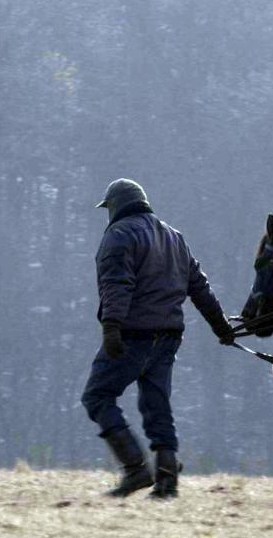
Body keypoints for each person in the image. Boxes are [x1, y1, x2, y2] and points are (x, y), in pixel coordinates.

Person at [80, 179, 236, 499]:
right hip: (169, 336)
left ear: (116, 205)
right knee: (156, 404)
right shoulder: (174, 237)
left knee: (97, 396)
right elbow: (200, 288)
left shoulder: (119, 235)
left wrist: (111, 326)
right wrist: (221, 327)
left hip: (131, 334)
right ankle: (167, 480)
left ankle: (136, 469)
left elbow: (117, 284)